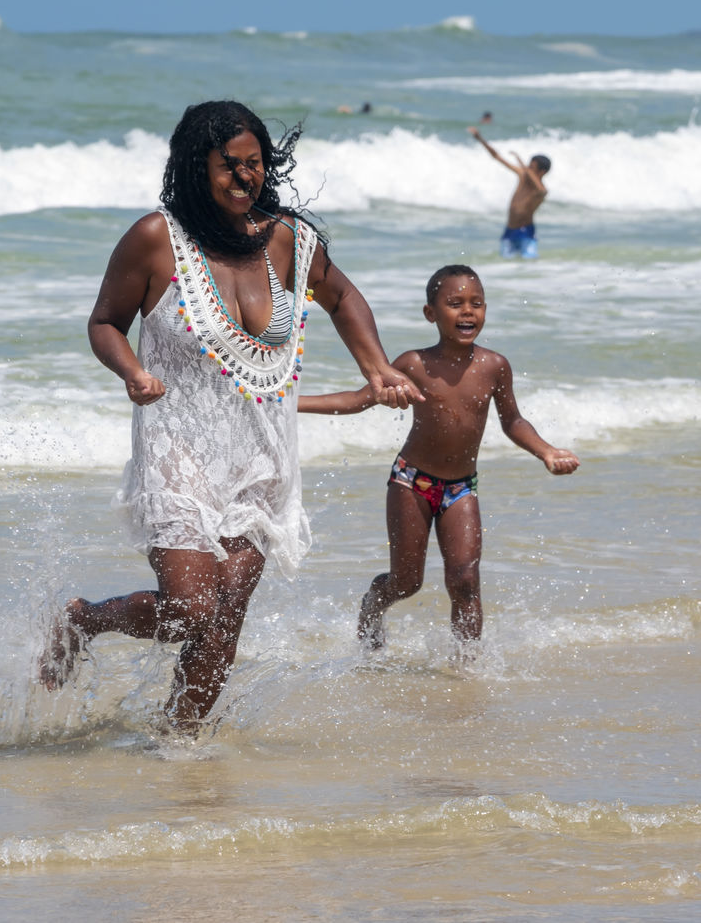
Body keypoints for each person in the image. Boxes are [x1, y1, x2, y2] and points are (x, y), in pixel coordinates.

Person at [39, 101, 421, 732]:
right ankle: (84, 618)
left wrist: (376, 367)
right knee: (190, 608)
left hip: (260, 457)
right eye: (229, 166)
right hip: (179, 450)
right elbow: (104, 321)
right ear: (197, 167)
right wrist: (131, 370)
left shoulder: (287, 239)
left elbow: (342, 295)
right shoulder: (156, 239)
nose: (246, 177)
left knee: (222, 624)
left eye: (255, 163)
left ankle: (178, 748)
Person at [298, 264, 578, 652]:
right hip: (411, 482)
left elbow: (513, 421)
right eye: (455, 303)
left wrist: (545, 450)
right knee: (406, 582)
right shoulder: (414, 364)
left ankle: (467, 667)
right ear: (431, 313)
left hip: (462, 488)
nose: (468, 311)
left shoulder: (494, 366)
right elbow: (358, 400)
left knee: (465, 580)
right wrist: (291, 403)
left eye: (477, 303)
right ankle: (372, 607)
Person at [468, 128, 549, 259]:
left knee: (530, 262)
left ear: (542, 172)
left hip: (526, 232)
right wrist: (480, 139)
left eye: (531, 168)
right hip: (509, 230)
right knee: (505, 263)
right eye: (528, 166)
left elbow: (541, 191)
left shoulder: (540, 190)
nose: (527, 169)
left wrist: (523, 166)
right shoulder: (522, 175)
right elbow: (496, 156)